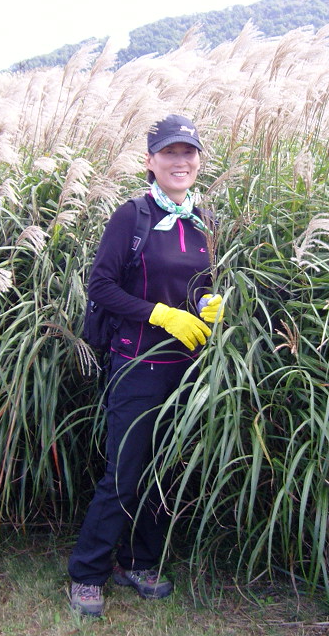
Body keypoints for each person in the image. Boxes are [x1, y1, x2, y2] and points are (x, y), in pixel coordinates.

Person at [67, 114, 224, 617]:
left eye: (189, 153)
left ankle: (139, 560)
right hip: (137, 362)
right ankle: (87, 572)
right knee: (125, 470)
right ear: (150, 162)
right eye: (170, 153)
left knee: (162, 468)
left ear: (199, 160)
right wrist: (159, 313)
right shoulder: (131, 216)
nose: (181, 161)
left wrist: (210, 305)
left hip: (188, 365)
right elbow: (102, 288)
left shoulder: (206, 220)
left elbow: (204, 280)